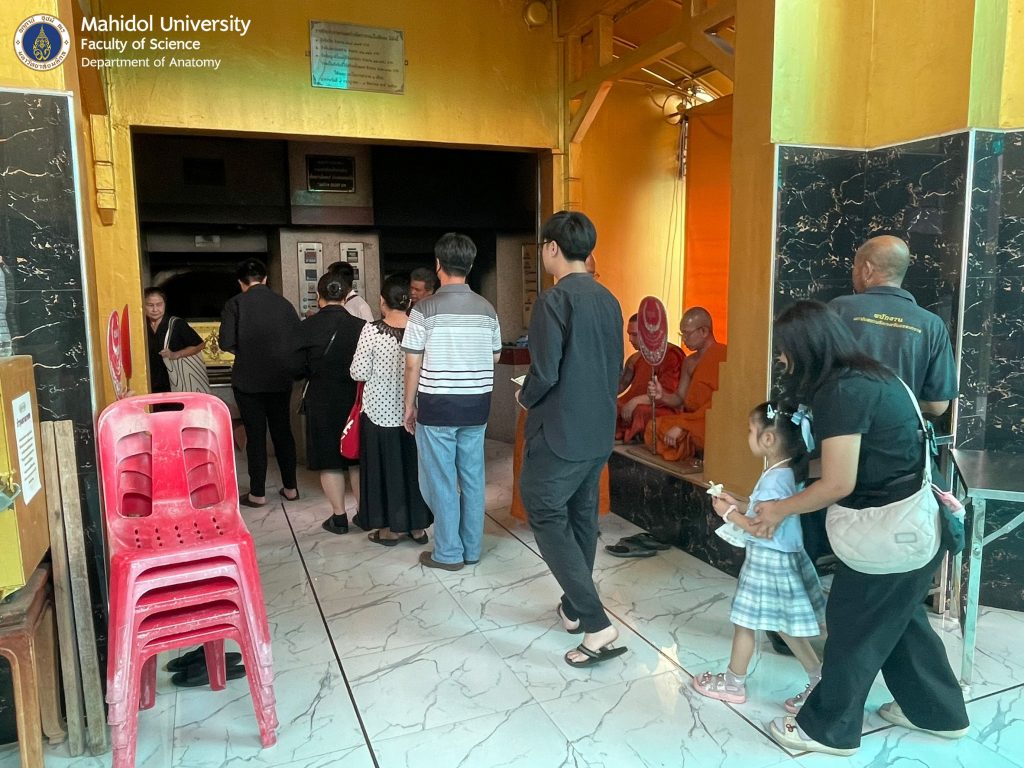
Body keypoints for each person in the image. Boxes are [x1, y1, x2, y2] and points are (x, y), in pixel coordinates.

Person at [751, 301, 968, 756]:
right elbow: (850, 459)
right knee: (901, 621)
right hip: (914, 527)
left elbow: (838, 482)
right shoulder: (873, 376)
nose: (781, 359)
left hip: (889, 535)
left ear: (806, 347)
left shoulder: (842, 392)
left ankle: (827, 730)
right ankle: (938, 712)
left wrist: (779, 509)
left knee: (852, 626)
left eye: (784, 350)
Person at [518, 211, 626, 668]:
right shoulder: (608, 299)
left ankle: (597, 624)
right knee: (582, 517)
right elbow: (615, 368)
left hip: (560, 430)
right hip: (599, 429)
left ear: (552, 248)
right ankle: (575, 607)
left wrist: (524, 396)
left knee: (543, 508)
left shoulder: (554, 300)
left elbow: (544, 372)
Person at [691, 401, 825, 712]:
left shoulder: (776, 478)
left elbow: (760, 528)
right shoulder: (786, 471)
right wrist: (739, 503)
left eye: (751, 431)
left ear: (768, 439)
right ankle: (819, 678)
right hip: (783, 559)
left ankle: (733, 683)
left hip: (767, 562)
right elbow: (762, 509)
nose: (748, 436)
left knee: (744, 622)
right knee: (785, 626)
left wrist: (728, 514)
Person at [403, 233, 501, 571]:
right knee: (473, 478)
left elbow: (412, 363)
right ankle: (472, 549)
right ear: (470, 265)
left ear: (438, 265)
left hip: (438, 406)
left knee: (441, 479)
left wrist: (409, 406)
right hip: (477, 406)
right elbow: (496, 355)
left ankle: (448, 552)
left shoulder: (424, 310)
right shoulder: (487, 309)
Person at [510, 251, 611, 522]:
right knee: (576, 507)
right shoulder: (602, 302)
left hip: (570, 415)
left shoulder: (560, 302)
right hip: (585, 416)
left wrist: (526, 396)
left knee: (553, 505)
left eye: (591, 275)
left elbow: (546, 373)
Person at [830, 235, 957, 417]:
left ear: (866, 270)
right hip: (901, 432)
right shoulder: (932, 325)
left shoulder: (839, 309)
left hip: (841, 427)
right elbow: (937, 405)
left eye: (855, 267)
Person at [351, 276, 433, 544]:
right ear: (408, 302)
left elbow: (358, 371)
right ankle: (418, 527)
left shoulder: (371, 331)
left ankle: (393, 529)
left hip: (379, 413)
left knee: (386, 471)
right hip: (416, 412)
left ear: (382, 302)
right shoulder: (421, 329)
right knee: (414, 469)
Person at [219, 258, 301, 507]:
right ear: (265, 279)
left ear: (241, 283)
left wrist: (246, 351)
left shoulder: (235, 304)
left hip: (248, 381)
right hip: (280, 379)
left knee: (255, 435)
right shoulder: (284, 304)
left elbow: (225, 342)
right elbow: (296, 339)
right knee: (282, 431)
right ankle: (291, 488)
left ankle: (258, 493)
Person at [295, 273, 366, 533]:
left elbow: (296, 368)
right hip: (355, 400)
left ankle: (339, 518)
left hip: (321, 399)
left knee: (329, 460)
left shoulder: (306, 327)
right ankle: (363, 514)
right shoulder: (362, 327)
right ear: (347, 295)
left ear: (318, 295)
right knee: (356, 458)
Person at [643, 307, 727, 464]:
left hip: (711, 421)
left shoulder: (725, 356)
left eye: (687, 334)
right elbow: (679, 398)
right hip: (691, 418)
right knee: (653, 427)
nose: (684, 339)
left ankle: (686, 442)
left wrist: (683, 425)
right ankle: (686, 443)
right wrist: (662, 395)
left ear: (703, 331)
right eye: (682, 334)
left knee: (700, 431)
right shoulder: (689, 362)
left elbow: (721, 403)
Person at [616, 313, 686, 442]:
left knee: (640, 411)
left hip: (663, 406)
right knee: (613, 406)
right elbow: (621, 385)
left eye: (634, 335)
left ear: (649, 333)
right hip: (637, 402)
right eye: (629, 334)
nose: (630, 339)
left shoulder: (671, 354)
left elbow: (669, 393)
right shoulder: (635, 358)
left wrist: (636, 401)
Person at [143, 287, 205, 395]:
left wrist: (175, 354)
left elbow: (199, 345)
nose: (155, 309)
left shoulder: (176, 324)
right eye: (150, 305)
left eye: (159, 304)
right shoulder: (140, 325)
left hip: (175, 382)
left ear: (165, 304)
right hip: (149, 381)